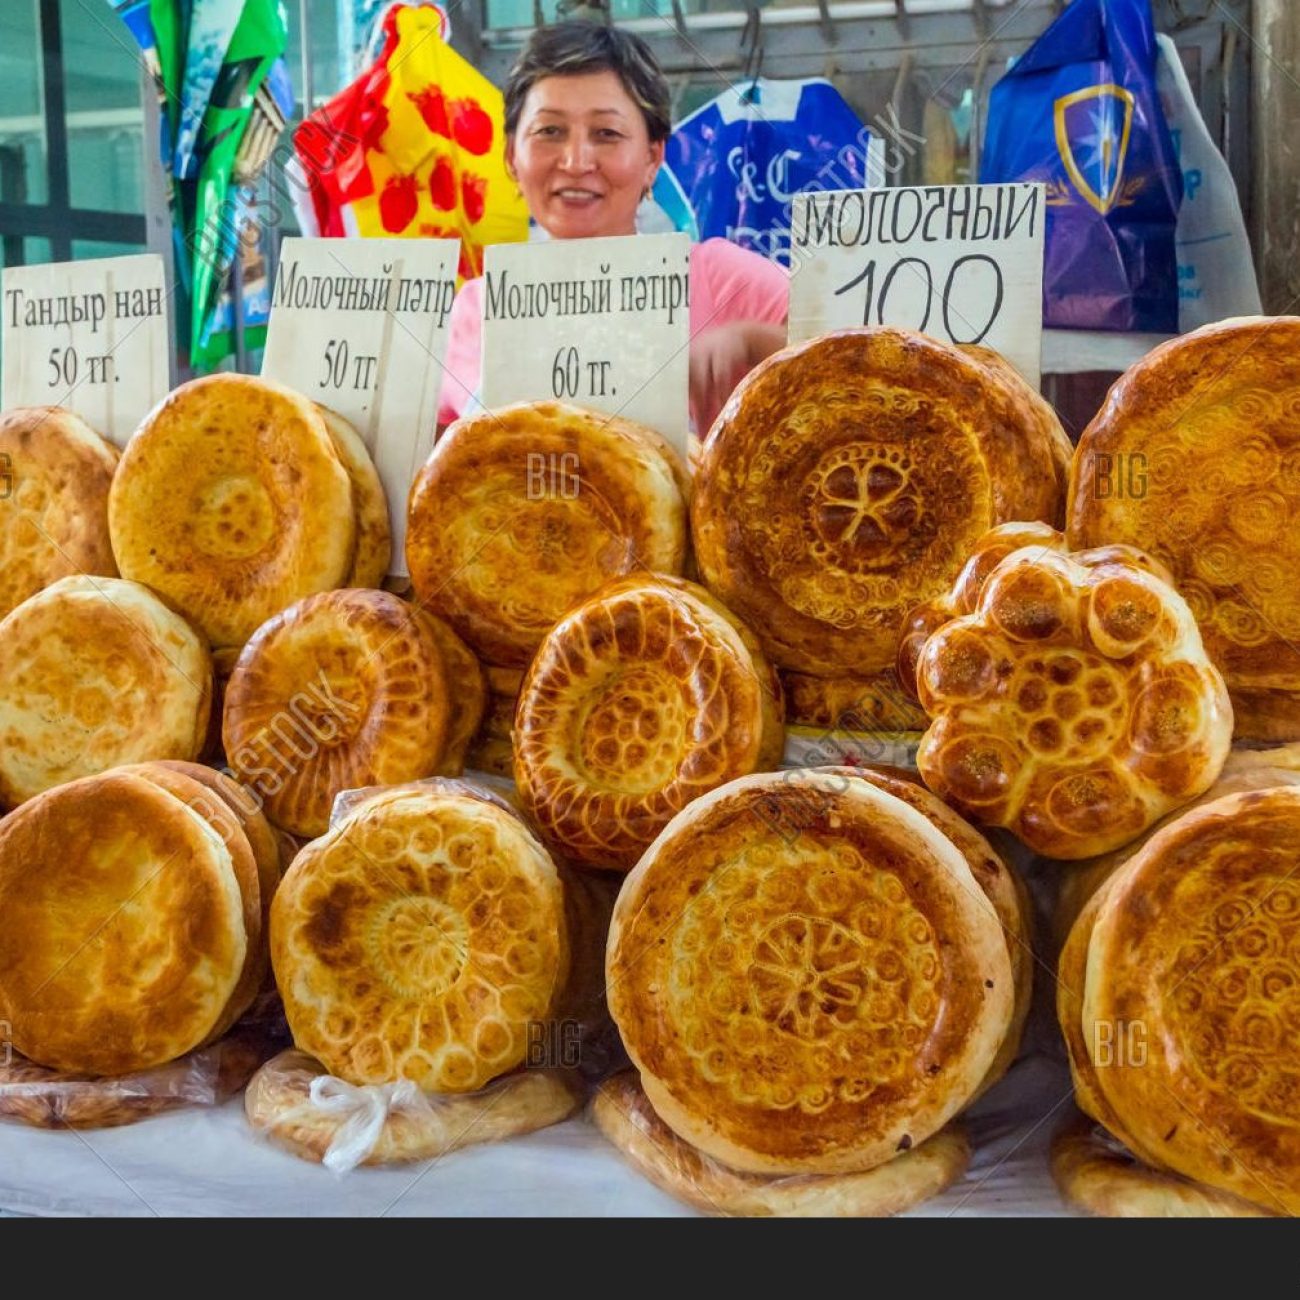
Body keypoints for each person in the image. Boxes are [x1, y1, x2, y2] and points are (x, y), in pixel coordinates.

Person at [437, 22, 789, 436]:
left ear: (652, 158)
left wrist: (754, 343)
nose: (575, 161)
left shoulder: (719, 277)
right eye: (549, 131)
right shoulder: (475, 308)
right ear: (512, 155)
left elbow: (869, 356)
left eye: (607, 133)